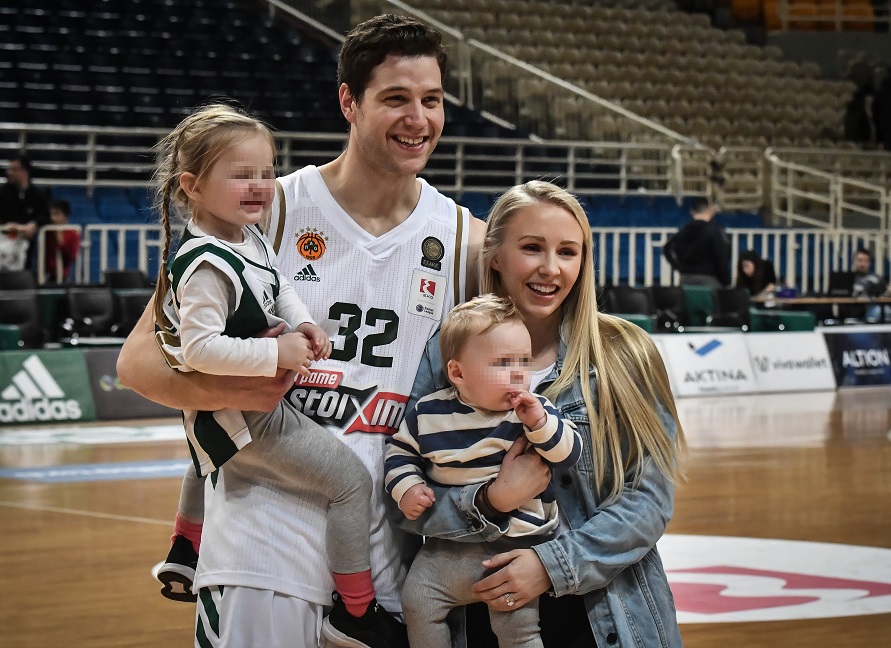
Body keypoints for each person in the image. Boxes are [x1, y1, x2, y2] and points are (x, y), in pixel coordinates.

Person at [117, 13, 486, 647]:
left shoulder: (464, 239)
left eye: (432, 100)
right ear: (349, 101)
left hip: (385, 552)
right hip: (260, 537)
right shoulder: (267, 206)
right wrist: (238, 385)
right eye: (396, 98)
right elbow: (138, 363)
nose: (418, 119)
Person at [146, 103, 405, 647]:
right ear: (192, 186)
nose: (260, 186)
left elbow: (278, 283)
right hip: (247, 414)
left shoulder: (245, 235)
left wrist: (304, 321)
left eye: (266, 172)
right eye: (241, 175)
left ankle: (184, 548)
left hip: (226, 414)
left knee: (206, 451)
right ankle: (357, 611)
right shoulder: (206, 265)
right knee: (350, 482)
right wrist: (276, 353)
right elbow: (199, 348)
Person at [397, 180, 686, 648]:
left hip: (609, 617)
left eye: (568, 252)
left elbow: (649, 501)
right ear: (495, 256)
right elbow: (411, 499)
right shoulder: (444, 353)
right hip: (483, 609)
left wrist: (551, 566)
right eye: (532, 247)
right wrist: (492, 501)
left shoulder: (625, 352)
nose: (550, 268)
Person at [385, 295, 582, 648]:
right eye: (503, 363)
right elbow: (399, 453)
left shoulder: (532, 411)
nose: (519, 373)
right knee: (417, 600)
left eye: (524, 361)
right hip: (449, 544)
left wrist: (540, 424)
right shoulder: (428, 413)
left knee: (518, 631)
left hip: (516, 548)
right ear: (458, 373)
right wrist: (408, 488)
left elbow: (569, 453)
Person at [663, 197, 730, 288]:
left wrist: (680, 268)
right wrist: (725, 280)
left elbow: (667, 249)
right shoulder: (715, 231)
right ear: (711, 210)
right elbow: (721, 257)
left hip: (686, 279)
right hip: (709, 279)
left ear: (692, 211)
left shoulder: (683, 230)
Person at [0, 153, 49, 272]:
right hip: (6, 239)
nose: (9, 172)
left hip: (27, 242)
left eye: (14, 169)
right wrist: (8, 227)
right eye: (9, 169)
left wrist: (34, 224)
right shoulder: (2, 193)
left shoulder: (38, 194)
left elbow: (45, 216)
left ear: (24, 171)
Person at [43, 200, 80, 282]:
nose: (52, 218)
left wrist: (60, 241)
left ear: (66, 216)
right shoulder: (46, 232)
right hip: (47, 275)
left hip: (64, 276)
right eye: (51, 214)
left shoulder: (73, 233)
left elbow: (72, 257)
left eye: (57, 214)